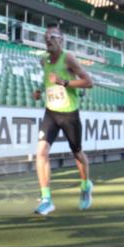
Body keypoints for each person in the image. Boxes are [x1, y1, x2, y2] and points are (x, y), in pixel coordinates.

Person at [31, 24, 95, 216]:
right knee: (41, 151)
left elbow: (88, 82)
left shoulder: (68, 58)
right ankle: (46, 199)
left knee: (77, 153)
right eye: (46, 38)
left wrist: (65, 82)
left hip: (69, 113)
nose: (48, 40)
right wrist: (40, 91)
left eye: (52, 37)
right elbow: (47, 81)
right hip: (51, 112)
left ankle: (85, 186)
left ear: (61, 40)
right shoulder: (43, 61)